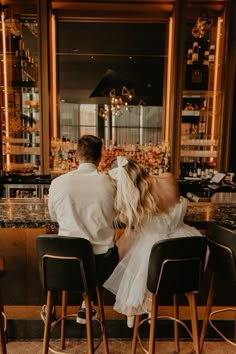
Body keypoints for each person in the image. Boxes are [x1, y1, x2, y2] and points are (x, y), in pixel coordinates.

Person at [103, 156, 202, 327]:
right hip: (187, 252)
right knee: (138, 245)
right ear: (138, 166)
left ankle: (140, 304)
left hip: (157, 256)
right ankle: (147, 304)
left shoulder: (134, 202)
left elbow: (134, 225)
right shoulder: (168, 178)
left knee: (128, 247)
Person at [48, 135, 119, 324]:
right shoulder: (111, 184)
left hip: (64, 264)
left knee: (55, 248)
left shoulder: (58, 183)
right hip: (100, 265)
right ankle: (89, 302)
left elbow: (54, 218)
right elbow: (116, 216)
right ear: (100, 157)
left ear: (77, 155)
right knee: (110, 250)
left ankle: (51, 305)